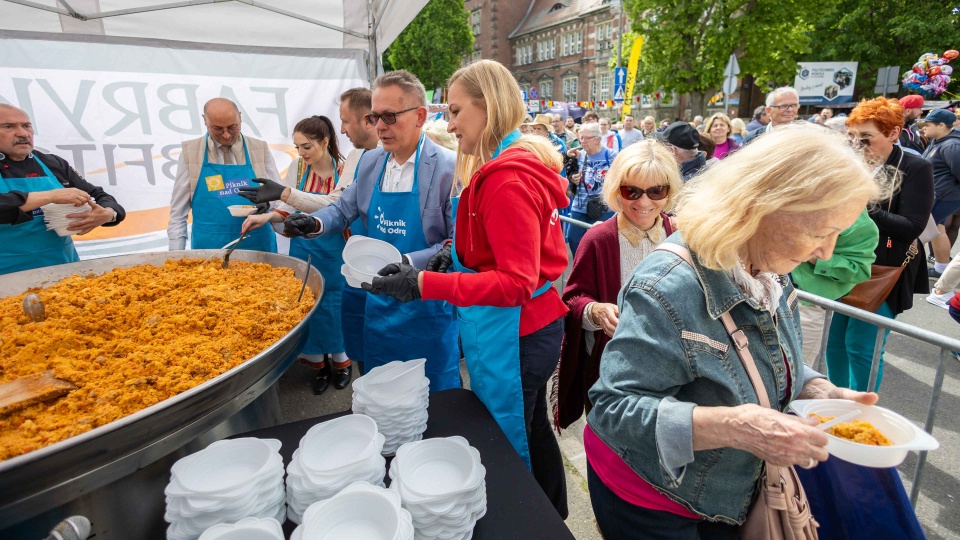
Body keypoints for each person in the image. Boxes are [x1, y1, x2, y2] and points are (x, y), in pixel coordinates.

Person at [586, 124, 884, 539]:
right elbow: (613, 408)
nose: (826, 253)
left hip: (725, 494)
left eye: (838, 234)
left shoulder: (772, 271)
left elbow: (766, 355)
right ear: (761, 208)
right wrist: (734, 427)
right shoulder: (668, 284)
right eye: (820, 233)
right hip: (656, 497)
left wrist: (816, 390)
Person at [363, 59, 570, 517]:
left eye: (456, 112)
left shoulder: (507, 178)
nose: (450, 124)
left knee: (513, 435)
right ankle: (554, 515)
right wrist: (452, 251)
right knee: (535, 429)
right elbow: (502, 246)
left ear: (488, 107)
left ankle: (527, 518)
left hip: (517, 332)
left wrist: (424, 282)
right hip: (527, 327)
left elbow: (515, 283)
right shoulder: (512, 163)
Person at [281, 70, 460, 392]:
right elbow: (343, 207)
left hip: (422, 299)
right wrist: (315, 223)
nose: (379, 127)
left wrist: (404, 260)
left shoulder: (449, 167)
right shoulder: (371, 161)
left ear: (420, 115)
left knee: (432, 395)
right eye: (376, 117)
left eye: (389, 116)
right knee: (380, 387)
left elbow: (456, 242)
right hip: (374, 293)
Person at [554, 139, 681, 430]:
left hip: (670, 369)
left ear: (669, 192)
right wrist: (596, 311)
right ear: (616, 191)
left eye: (656, 191)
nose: (644, 202)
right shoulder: (599, 239)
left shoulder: (681, 233)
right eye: (631, 191)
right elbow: (573, 299)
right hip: (610, 371)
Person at [823, 97, 935, 392]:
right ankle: (837, 403)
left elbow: (912, 227)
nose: (857, 144)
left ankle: (860, 412)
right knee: (835, 344)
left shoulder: (915, 167)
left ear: (894, 133)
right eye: (852, 137)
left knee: (861, 346)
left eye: (866, 137)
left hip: (886, 269)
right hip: (848, 264)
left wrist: (863, 204)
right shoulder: (851, 163)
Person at [240, 116, 352, 395]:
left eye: (306, 147)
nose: (301, 153)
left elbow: (340, 209)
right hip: (304, 248)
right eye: (298, 147)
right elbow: (288, 207)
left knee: (336, 308)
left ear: (325, 142)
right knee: (311, 306)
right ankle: (320, 365)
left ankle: (342, 364)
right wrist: (267, 217)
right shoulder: (298, 168)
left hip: (336, 250)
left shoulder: (346, 169)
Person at [0, 104, 125, 275]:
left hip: (63, 268)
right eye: (8, 126)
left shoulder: (52, 163)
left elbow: (97, 194)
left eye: (26, 125)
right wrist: (51, 196)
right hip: (7, 273)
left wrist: (108, 214)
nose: (23, 133)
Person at [168, 98, 279, 252]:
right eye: (218, 129)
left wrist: (268, 205)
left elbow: (278, 200)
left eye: (232, 127)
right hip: (209, 249)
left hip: (257, 246)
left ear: (240, 117)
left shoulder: (259, 149)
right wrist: (175, 256)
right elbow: (178, 214)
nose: (226, 135)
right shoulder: (191, 152)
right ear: (205, 121)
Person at [790, 209, 878, 367]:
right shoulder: (800, 199)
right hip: (770, 293)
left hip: (808, 306)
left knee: (795, 370)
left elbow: (860, 270)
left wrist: (814, 258)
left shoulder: (859, 221)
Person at [565, 122, 617, 256]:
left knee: (602, 244)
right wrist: (572, 178)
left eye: (587, 138)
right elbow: (569, 180)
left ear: (597, 139)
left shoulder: (611, 155)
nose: (583, 141)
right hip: (580, 206)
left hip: (604, 208)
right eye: (581, 137)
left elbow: (621, 179)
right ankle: (580, 270)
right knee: (573, 239)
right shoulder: (578, 155)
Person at [921, 109, 960, 279]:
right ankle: (941, 268)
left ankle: (908, 266)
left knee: (922, 230)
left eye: (928, 124)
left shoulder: (951, 145)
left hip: (944, 196)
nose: (924, 128)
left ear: (942, 125)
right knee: (938, 229)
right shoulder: (940, 141)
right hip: (941, 194)